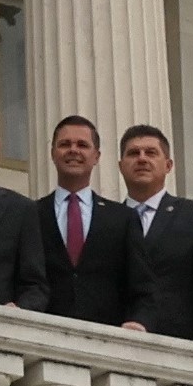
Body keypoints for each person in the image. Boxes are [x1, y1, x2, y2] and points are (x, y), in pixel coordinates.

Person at [20, 113, 138, 322]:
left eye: (82, 145)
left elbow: (140, 285)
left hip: (107, 337)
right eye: (65, 144)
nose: (73, 150)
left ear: (96, 156)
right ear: (53, 153)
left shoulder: (123, 218)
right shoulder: (30, 213)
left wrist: (138, 322)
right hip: (43, 334)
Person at [105, 123, 193, 337]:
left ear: (168, 165)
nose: (142, 159)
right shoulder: (107, 221)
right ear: (121, 166)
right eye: (133, 153)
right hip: (117, 346)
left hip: (180, 346)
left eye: (151, 153)